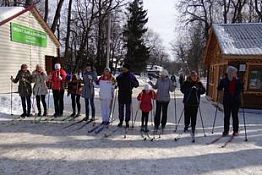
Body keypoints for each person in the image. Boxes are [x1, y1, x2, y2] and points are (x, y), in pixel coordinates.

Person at [218, 66, 242, 136]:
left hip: (235, 101)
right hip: (227, 100)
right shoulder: (224, 80)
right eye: (235, 72)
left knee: (235, 116)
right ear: (231, 72)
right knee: (227, 116)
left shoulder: (238, 80)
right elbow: (219, 88)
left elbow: (240, 90)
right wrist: (220, 87)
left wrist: (241, 85)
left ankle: (235, 131)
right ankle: (226, 131)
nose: (236, 73)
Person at [181, 71, 206, 135]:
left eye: (195, 76)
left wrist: (197, 90)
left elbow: (203, 91)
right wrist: (189, 89)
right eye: (193, 76)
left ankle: (193, 126)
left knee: (194, 116)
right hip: (187, 102)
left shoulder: (199, 83)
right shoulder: (186, 82)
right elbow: (182, 90)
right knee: (187, 115)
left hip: (195, 102)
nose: (194, 77)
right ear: (190, 76)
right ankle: (186, 125)